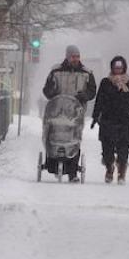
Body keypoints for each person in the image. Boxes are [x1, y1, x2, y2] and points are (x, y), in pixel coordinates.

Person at [42, 45, 96, 181]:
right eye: (73, 56)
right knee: (53, 135)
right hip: (57, 111)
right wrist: (51, 93)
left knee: (74, 139)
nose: (75, 59)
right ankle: (52, 162)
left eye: (77, 56)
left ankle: (72, 172)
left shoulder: (86, 73)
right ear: (67, 56)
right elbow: (47, 88)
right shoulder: (56, 71)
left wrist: (85, 95)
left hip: (76, 112)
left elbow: (92, 91)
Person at [91, 56, 129, 184]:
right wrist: (95, 117)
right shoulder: (105, 82)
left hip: (125, 121)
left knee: (123, 151)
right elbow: (99, 101)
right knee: (107, 150)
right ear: (112, 68)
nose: (118, 70)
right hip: (108, 120)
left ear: (124, 68)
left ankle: (121, 173)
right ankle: (109, 168)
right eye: (116, 68)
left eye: (120, 68)